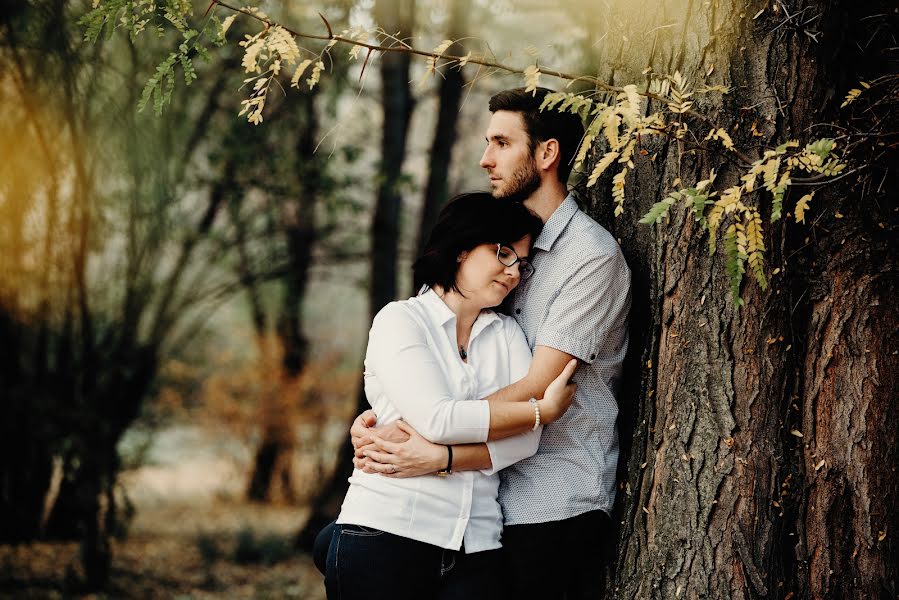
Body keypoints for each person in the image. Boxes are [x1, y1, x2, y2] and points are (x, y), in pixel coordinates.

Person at [349, 87, 632, 600]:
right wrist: (392, 414)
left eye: (502, 143)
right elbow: (443, 350)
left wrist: (429, 440)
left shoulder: (589, 257)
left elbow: (537, 388)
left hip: (552, 498)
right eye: (486, 143)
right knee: (339, 548)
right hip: (485, 500)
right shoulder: (501, 251)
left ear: (546, 154)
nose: (486, 159)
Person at [325, 192, 580, 600]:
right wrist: (540, 410)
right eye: (504, 253)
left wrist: (440, 456)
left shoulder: (508, 333)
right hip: (387, 532)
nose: (515, 272)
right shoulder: (401, 321)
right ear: (461, 249)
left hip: (477, 544)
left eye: (523, 261)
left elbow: (526, 441)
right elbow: (438, 419)